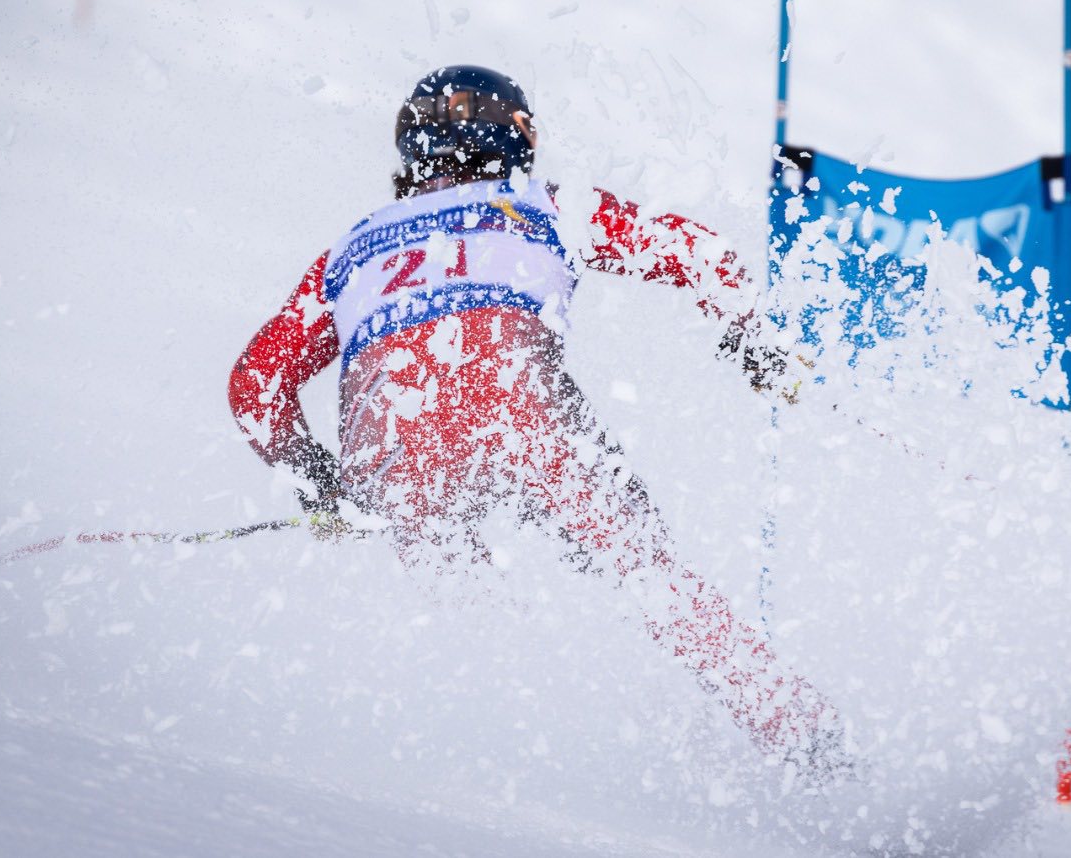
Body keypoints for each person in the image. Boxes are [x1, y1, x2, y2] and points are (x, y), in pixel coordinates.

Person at [227, 64, 851, 784]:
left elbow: (255, 384)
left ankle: (508, 765)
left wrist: (318, 483)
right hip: (519, 407)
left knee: (462, 612)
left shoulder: (350, 248)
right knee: (643, 569)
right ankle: (803, 740)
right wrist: (751, 334)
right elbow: (698, 253)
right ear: (516, 136)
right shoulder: (543, 204)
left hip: (393, 442)